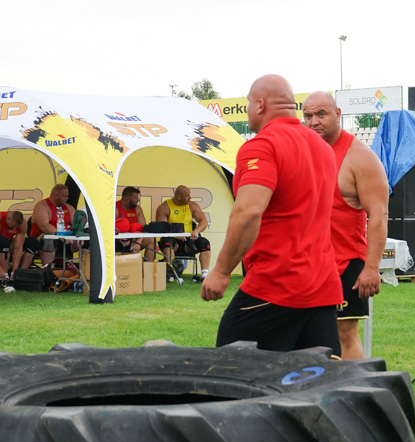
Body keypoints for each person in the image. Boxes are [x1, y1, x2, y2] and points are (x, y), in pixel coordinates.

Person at [201, 74, 343, 355]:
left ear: (260, 105)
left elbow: (248, 212)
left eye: (247, 104)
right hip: (323, 287)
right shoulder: (323, 149)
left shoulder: (261, 146)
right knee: (316, 385)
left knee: (231, 373)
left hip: (276, 284)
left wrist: (220, 271)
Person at [303, 91, 389, 359]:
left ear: (338, 114)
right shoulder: (303, 150)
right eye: (308, 115)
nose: (314, 121)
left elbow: (379, 214)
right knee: (305, 336)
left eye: (321, 114)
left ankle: (355, 396)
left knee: (344, 335)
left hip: (343, 264)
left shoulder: (360, 157)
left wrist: (372, 268)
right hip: (305, 263)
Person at [155, 185, 211, 282]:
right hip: (172, 239)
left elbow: (204, 221)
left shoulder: (192, 206)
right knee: (167, 242)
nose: (190, 198)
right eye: (187, 196)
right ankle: (171, 274)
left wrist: (196, 231)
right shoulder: (164, 207)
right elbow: (162, 228)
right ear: (179, 197)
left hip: (189, 240)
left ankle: (204, 276)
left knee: (205, 243)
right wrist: (176, 234)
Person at [29, 183, 80, 266]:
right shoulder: (42, 206)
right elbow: (44, 225)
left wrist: (78, 236)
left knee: (83, 239)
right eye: (64, 196)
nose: (67, 198)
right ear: (56, 195)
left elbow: (76, 225)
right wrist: (60, 235)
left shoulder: (69, 208)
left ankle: (84, 270)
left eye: (67, 196)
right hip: (43, 238)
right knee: (48, 237)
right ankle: (48, 268)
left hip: (65, 238)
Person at [0, 210, 35, 282]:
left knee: (32, 242)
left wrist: (15, 270)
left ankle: (18, 275)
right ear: (7, 219)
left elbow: (18, 248)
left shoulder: (22, 224)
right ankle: (4, 276)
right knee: (3, 241)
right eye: (12, 226)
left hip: (7, 245)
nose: (14, 228)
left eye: (16, 227)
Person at [116, 186, 154, 261]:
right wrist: (122, 240)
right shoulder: (115, 208)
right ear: (128, 199)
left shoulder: (137, 209)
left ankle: (149, 268)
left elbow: (143, 228)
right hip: (117, 240)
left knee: (151, 239)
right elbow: (111, 229)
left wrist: (138, 242)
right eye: (136, 198)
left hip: (133, 240)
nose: (138, 199)